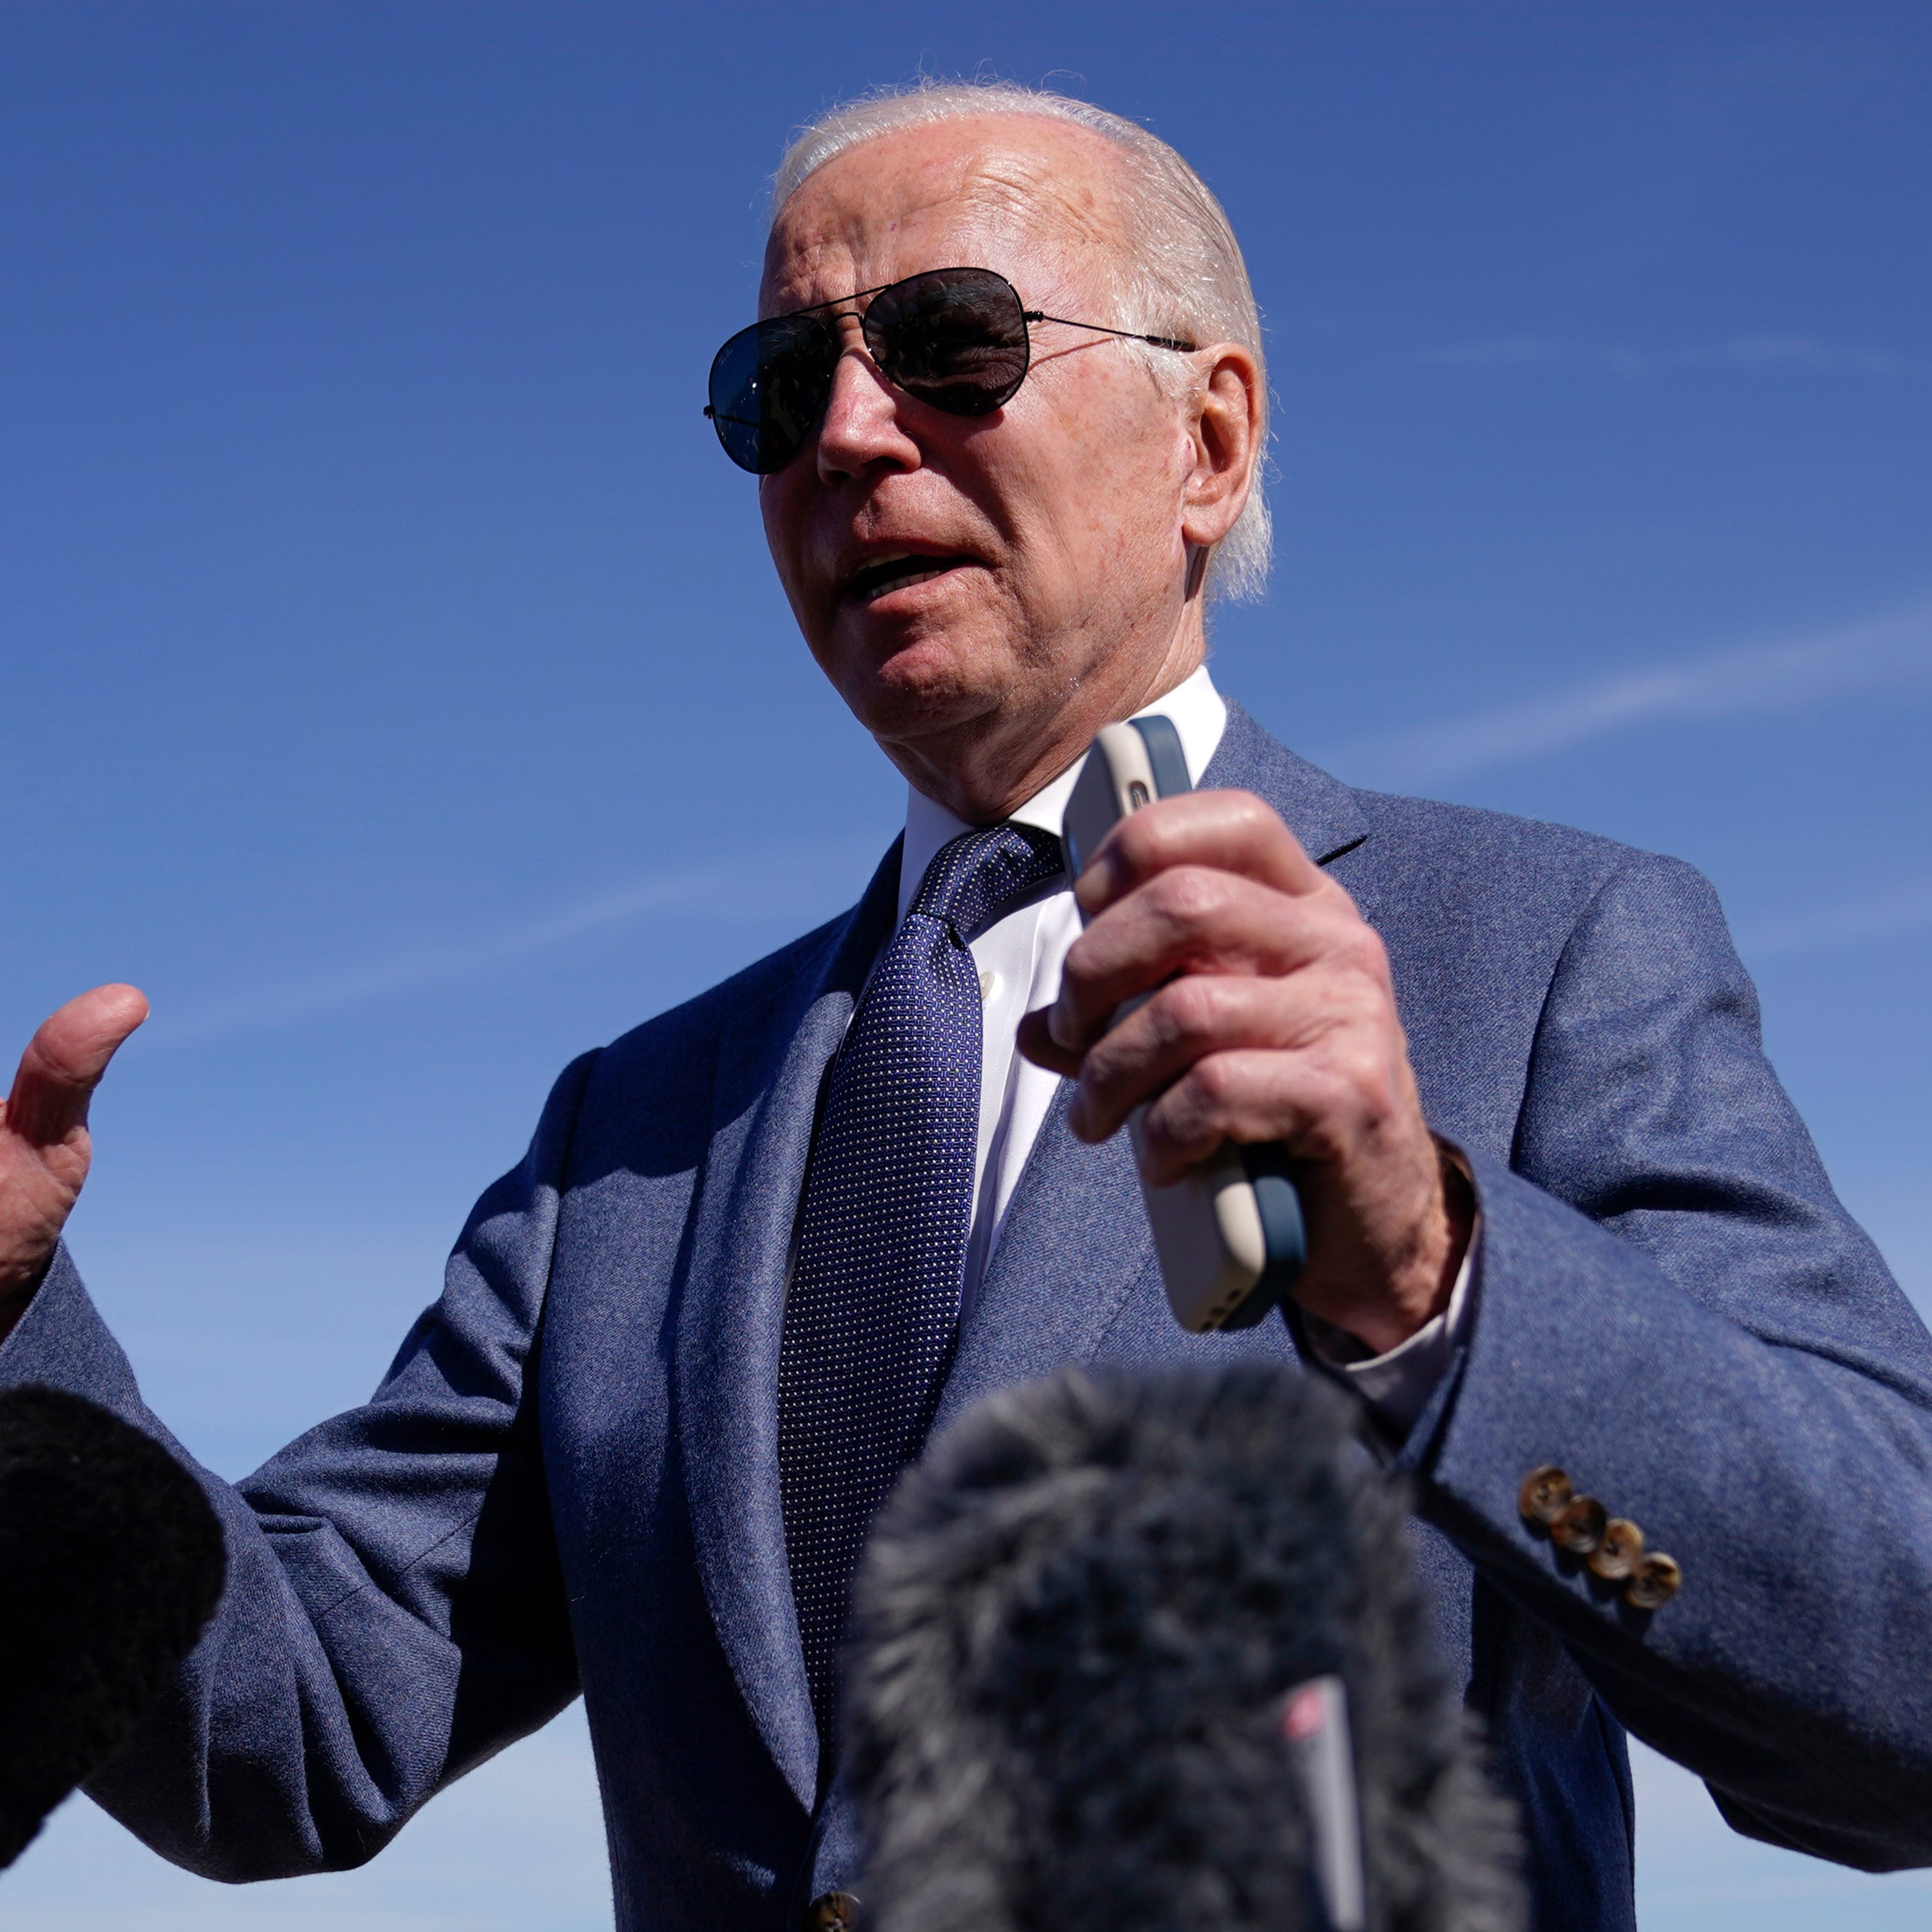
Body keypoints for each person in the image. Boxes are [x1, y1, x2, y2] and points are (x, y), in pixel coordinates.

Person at [2, 80, 1929, 1932]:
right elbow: (295, 1733)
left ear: (1212, 439)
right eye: (777, 388)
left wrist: (1431, 1276)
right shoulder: (631, 1136)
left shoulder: (1546, 948)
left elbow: (1901, 1698)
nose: (844, 435)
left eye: (949, 340)